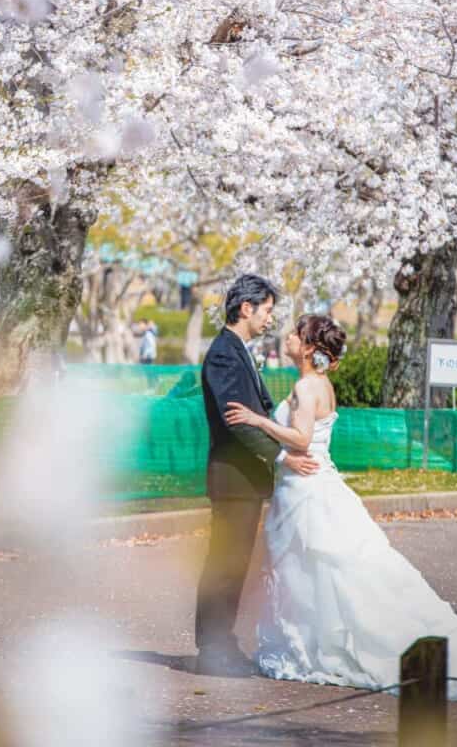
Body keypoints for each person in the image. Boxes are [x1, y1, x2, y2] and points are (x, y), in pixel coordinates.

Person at [226, 314, 457, 704]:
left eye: (297, 334)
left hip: (306, 489)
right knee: (313, 571)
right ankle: (313, 644)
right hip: (310, 485)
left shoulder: (305, 385)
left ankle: (321, 647)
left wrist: (257, 421)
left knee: (315, 568)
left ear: (310, 347)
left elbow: (300, 439)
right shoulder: (322, 385)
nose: (289, 337)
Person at [195, 275, 319, 677]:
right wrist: (283, 456)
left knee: (235, 564)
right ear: (245, 308)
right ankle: (211, 648)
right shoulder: (223, 354)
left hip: (246, 480)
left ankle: (222, 641)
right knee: (224, 563)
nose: (270, 319)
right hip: (233, 478)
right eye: (266, 310)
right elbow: (238, 422)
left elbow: (257, 413)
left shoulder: (239, 351)